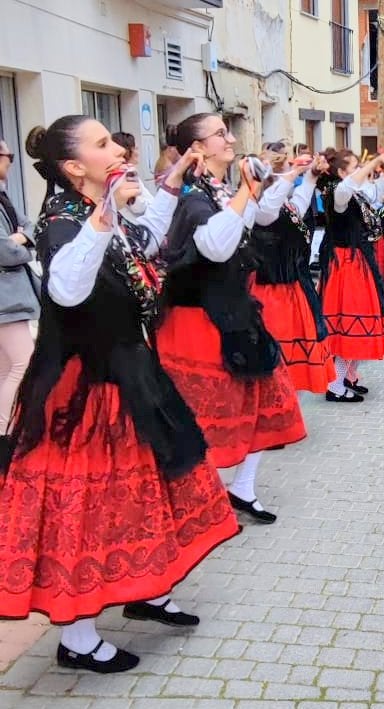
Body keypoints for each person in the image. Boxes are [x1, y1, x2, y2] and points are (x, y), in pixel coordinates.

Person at [0, 115, 238, 673]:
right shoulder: (64, 219)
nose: (119, 149)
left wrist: (171, 180)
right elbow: (65, 287)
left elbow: (149, 238)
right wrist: (106, 214)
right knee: (82, 510)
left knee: (146, 489)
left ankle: (147, 589)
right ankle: (77, 639)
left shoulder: (105, 210)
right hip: (84, 389)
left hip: (129, 371)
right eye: (102, 144)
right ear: (73, 168)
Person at [157, 113, 307, 526]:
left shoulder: (216, 189)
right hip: (199, 321)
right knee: (205, 417)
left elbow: (258, 220)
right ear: (198, 149)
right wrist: (246, 191)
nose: (230, 138)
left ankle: (242, 486)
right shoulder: (190, 196)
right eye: (220, 133)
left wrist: (275, 183)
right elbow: (216, 247)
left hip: (233, 310)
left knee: (263, 399)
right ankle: (191, 503)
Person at [250, 147, 336, 394]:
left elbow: (300, 200)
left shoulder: (285, 205)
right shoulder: (261, 207)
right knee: (277, 353)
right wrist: (289, 175)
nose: (293, 170)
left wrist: (311, 177)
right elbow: (267, 211)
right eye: (288, 166)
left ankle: (286, 405)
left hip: (293, 286)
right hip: (272, 290)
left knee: (293, 358)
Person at [319, 150, 384, 401]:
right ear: (341, 173)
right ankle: (335, 385)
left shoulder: (352, 194)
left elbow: (372, 192)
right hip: (346, 265)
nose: (360, 170)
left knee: (365, 319)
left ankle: (347, 377)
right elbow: (349, 186)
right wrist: (374, 162)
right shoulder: (337, 193)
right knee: (350, 323)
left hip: (357, 261)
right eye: (354, 167)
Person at [0, 140, 39, 433]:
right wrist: (22, 244)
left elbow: (30, 226)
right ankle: (5, 430)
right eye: (7, 155)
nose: (11, 161)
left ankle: (6, 428)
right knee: (23, 363)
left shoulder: (4, 197)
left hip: (11, 294)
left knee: (6, 367)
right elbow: (4, 250)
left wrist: (21, 237)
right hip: (6, 298)